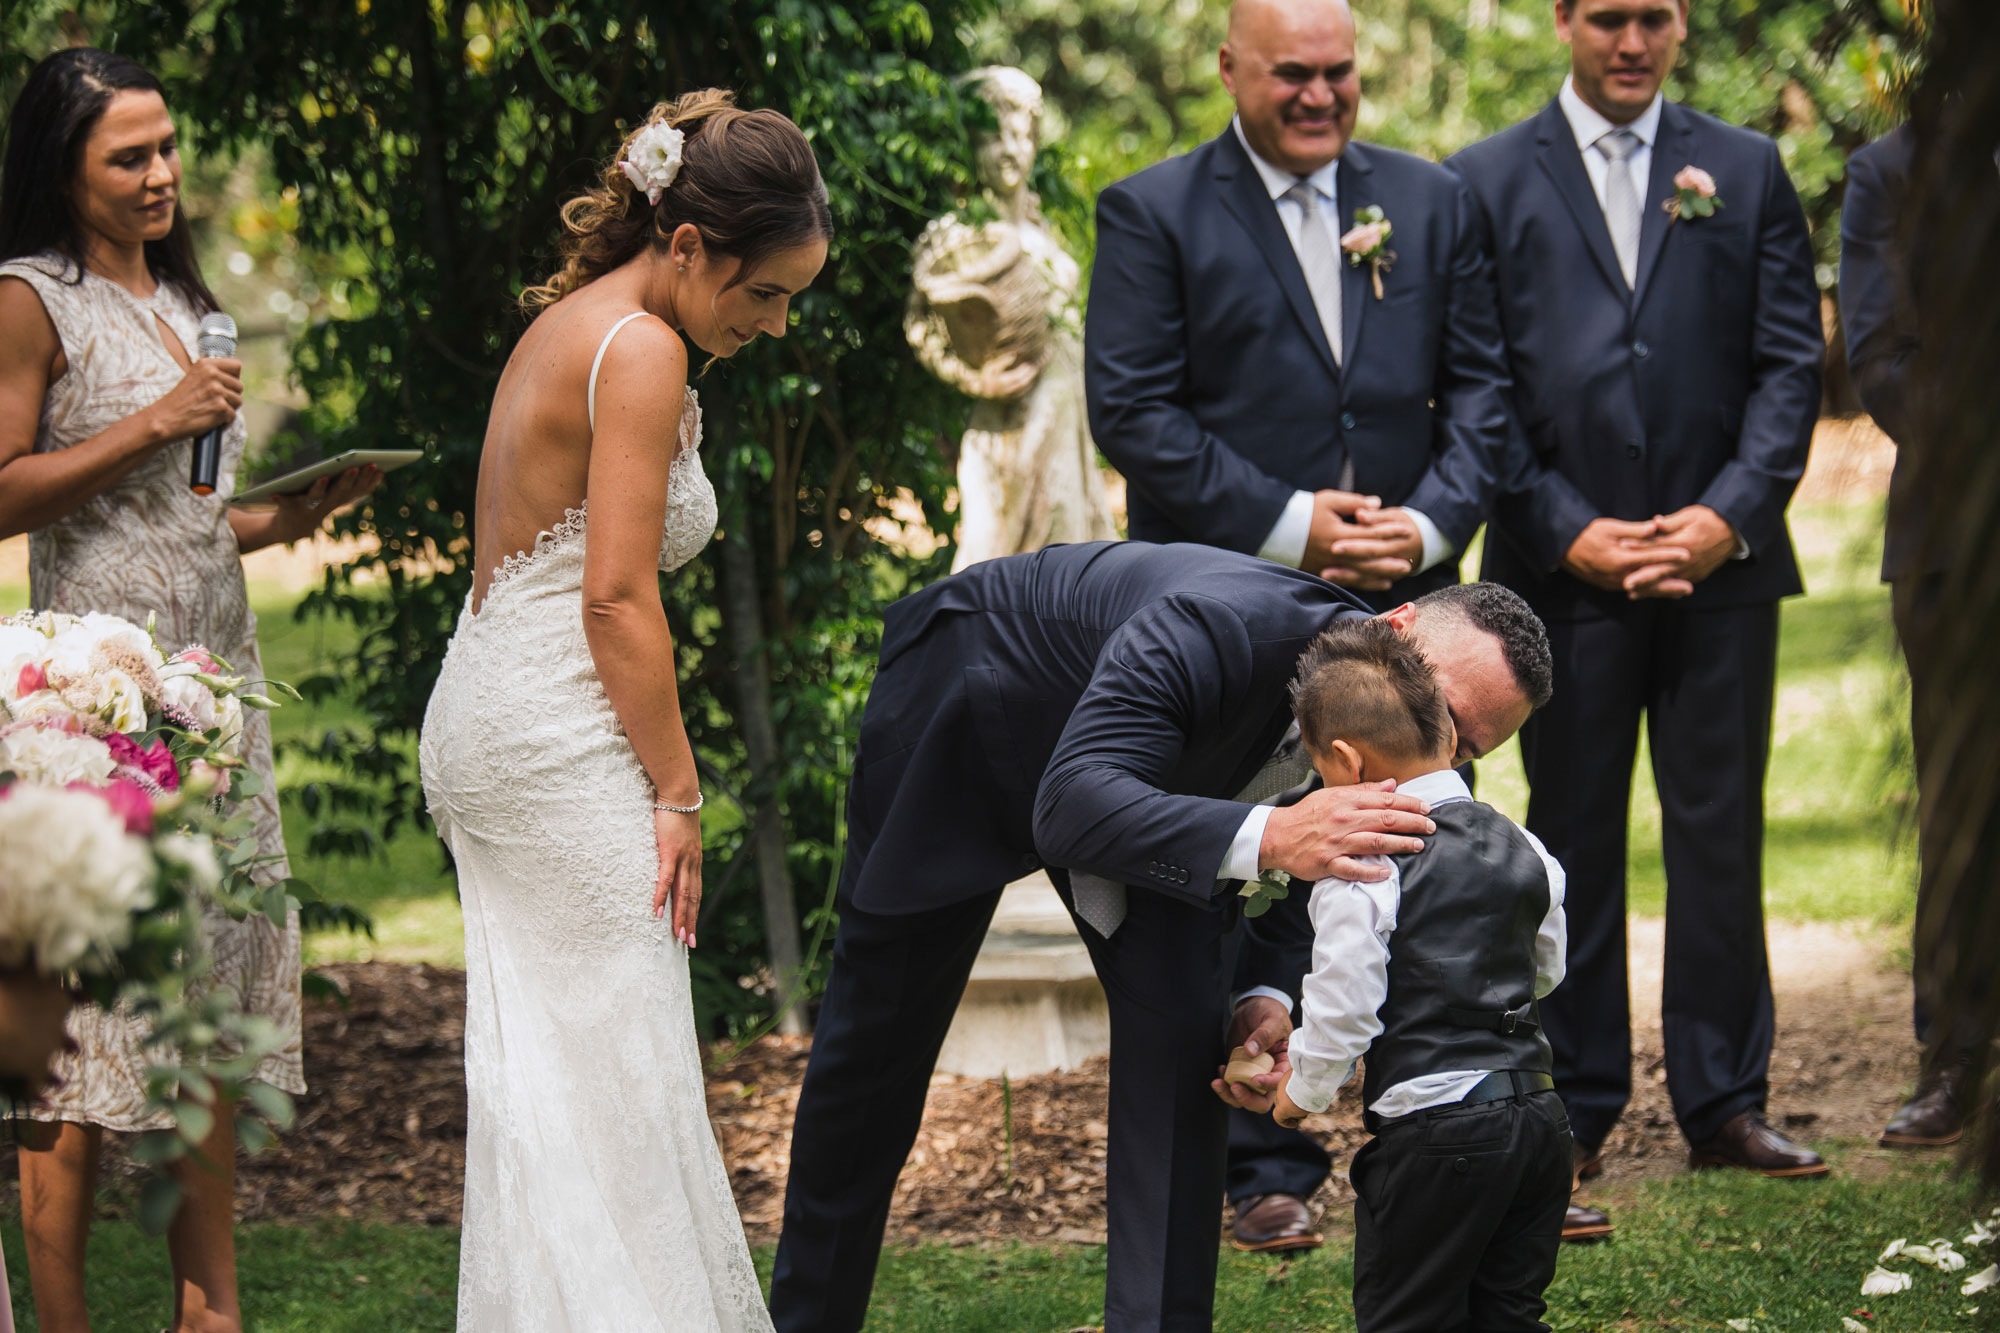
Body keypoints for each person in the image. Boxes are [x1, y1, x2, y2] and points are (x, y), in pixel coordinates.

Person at [768, 541, 1551, 1333]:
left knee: (1189, 1044)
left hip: (1148, 804)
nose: (1439, 752)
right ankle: (805, 1319)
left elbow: (1338, 850)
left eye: (1468, 746)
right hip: (970, 707)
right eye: (1444, 713)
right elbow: (1072, 800)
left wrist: (1267, 992)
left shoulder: (1417, 758)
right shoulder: (1218, 626)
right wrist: (1274, 835)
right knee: (871, 1052)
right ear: (1398, 622)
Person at [1083, 0, 1522, 1249]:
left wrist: (1429, 527)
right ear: (1228, 68)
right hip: (1229, 602)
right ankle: (1258, 1152)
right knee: (1254, 857)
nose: (1320, 97)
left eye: (1340, 74)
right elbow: (1134, 409)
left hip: (1406, 598)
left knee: (1417, 843)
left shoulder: (1429, 203)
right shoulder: (1151, 210)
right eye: (1292, 76)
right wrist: (1294, 526)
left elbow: (1484, 391)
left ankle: (1440, 1113)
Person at [417, 89, 828, 1331]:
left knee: (565, 1080)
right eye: (763, 294)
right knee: (623, 1081)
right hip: (551, 739)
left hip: (497, 710)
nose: (774, 324)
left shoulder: (583, 322)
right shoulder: (641, 349)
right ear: (691, 246)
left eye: (793, 300)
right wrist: (678, 791)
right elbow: (612, 600)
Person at [0, 48, 380, 1333]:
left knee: (205, 1015)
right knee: (85, 1030)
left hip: (215, 708)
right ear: (66, 168)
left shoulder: (182, 294)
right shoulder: (28, 298)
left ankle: (207, 1312)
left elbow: (192, 516)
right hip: (90, 718)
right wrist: (157, 418)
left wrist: (293, 511)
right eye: (129, 155)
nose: (162, 174)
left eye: (168, 147)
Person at [1445, 0, 1828, 1242]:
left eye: (1652, 17)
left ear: (1675, 28)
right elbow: (1480, 380)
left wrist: (1724, 516)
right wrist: (1566, 529)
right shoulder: (1484, 181)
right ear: (1561, 20)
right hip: (1563, 578)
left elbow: (1787, 364)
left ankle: (1725, 1095)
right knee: (1567, 842)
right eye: (1605, 16)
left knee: (1719, 833)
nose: (1629, 40)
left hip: (1719, 572)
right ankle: (1577, 1100)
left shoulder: (1749, 169)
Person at [1268, 615, 1569, 1332]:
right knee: (1509, 1313)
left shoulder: (1364, 866)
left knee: (1408, 1316)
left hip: (1438, 1137)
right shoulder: (1525, 844)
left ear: (1346, 762)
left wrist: (1296, 1096)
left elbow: (1344, 1011)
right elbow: (1544, 968)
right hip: (1539, 1121)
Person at [1840, 122, 1999, 1148]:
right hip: (1953, 540)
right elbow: (1881, 357)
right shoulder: (1892, 170)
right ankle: (1955, 1061)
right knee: (1960, 804)